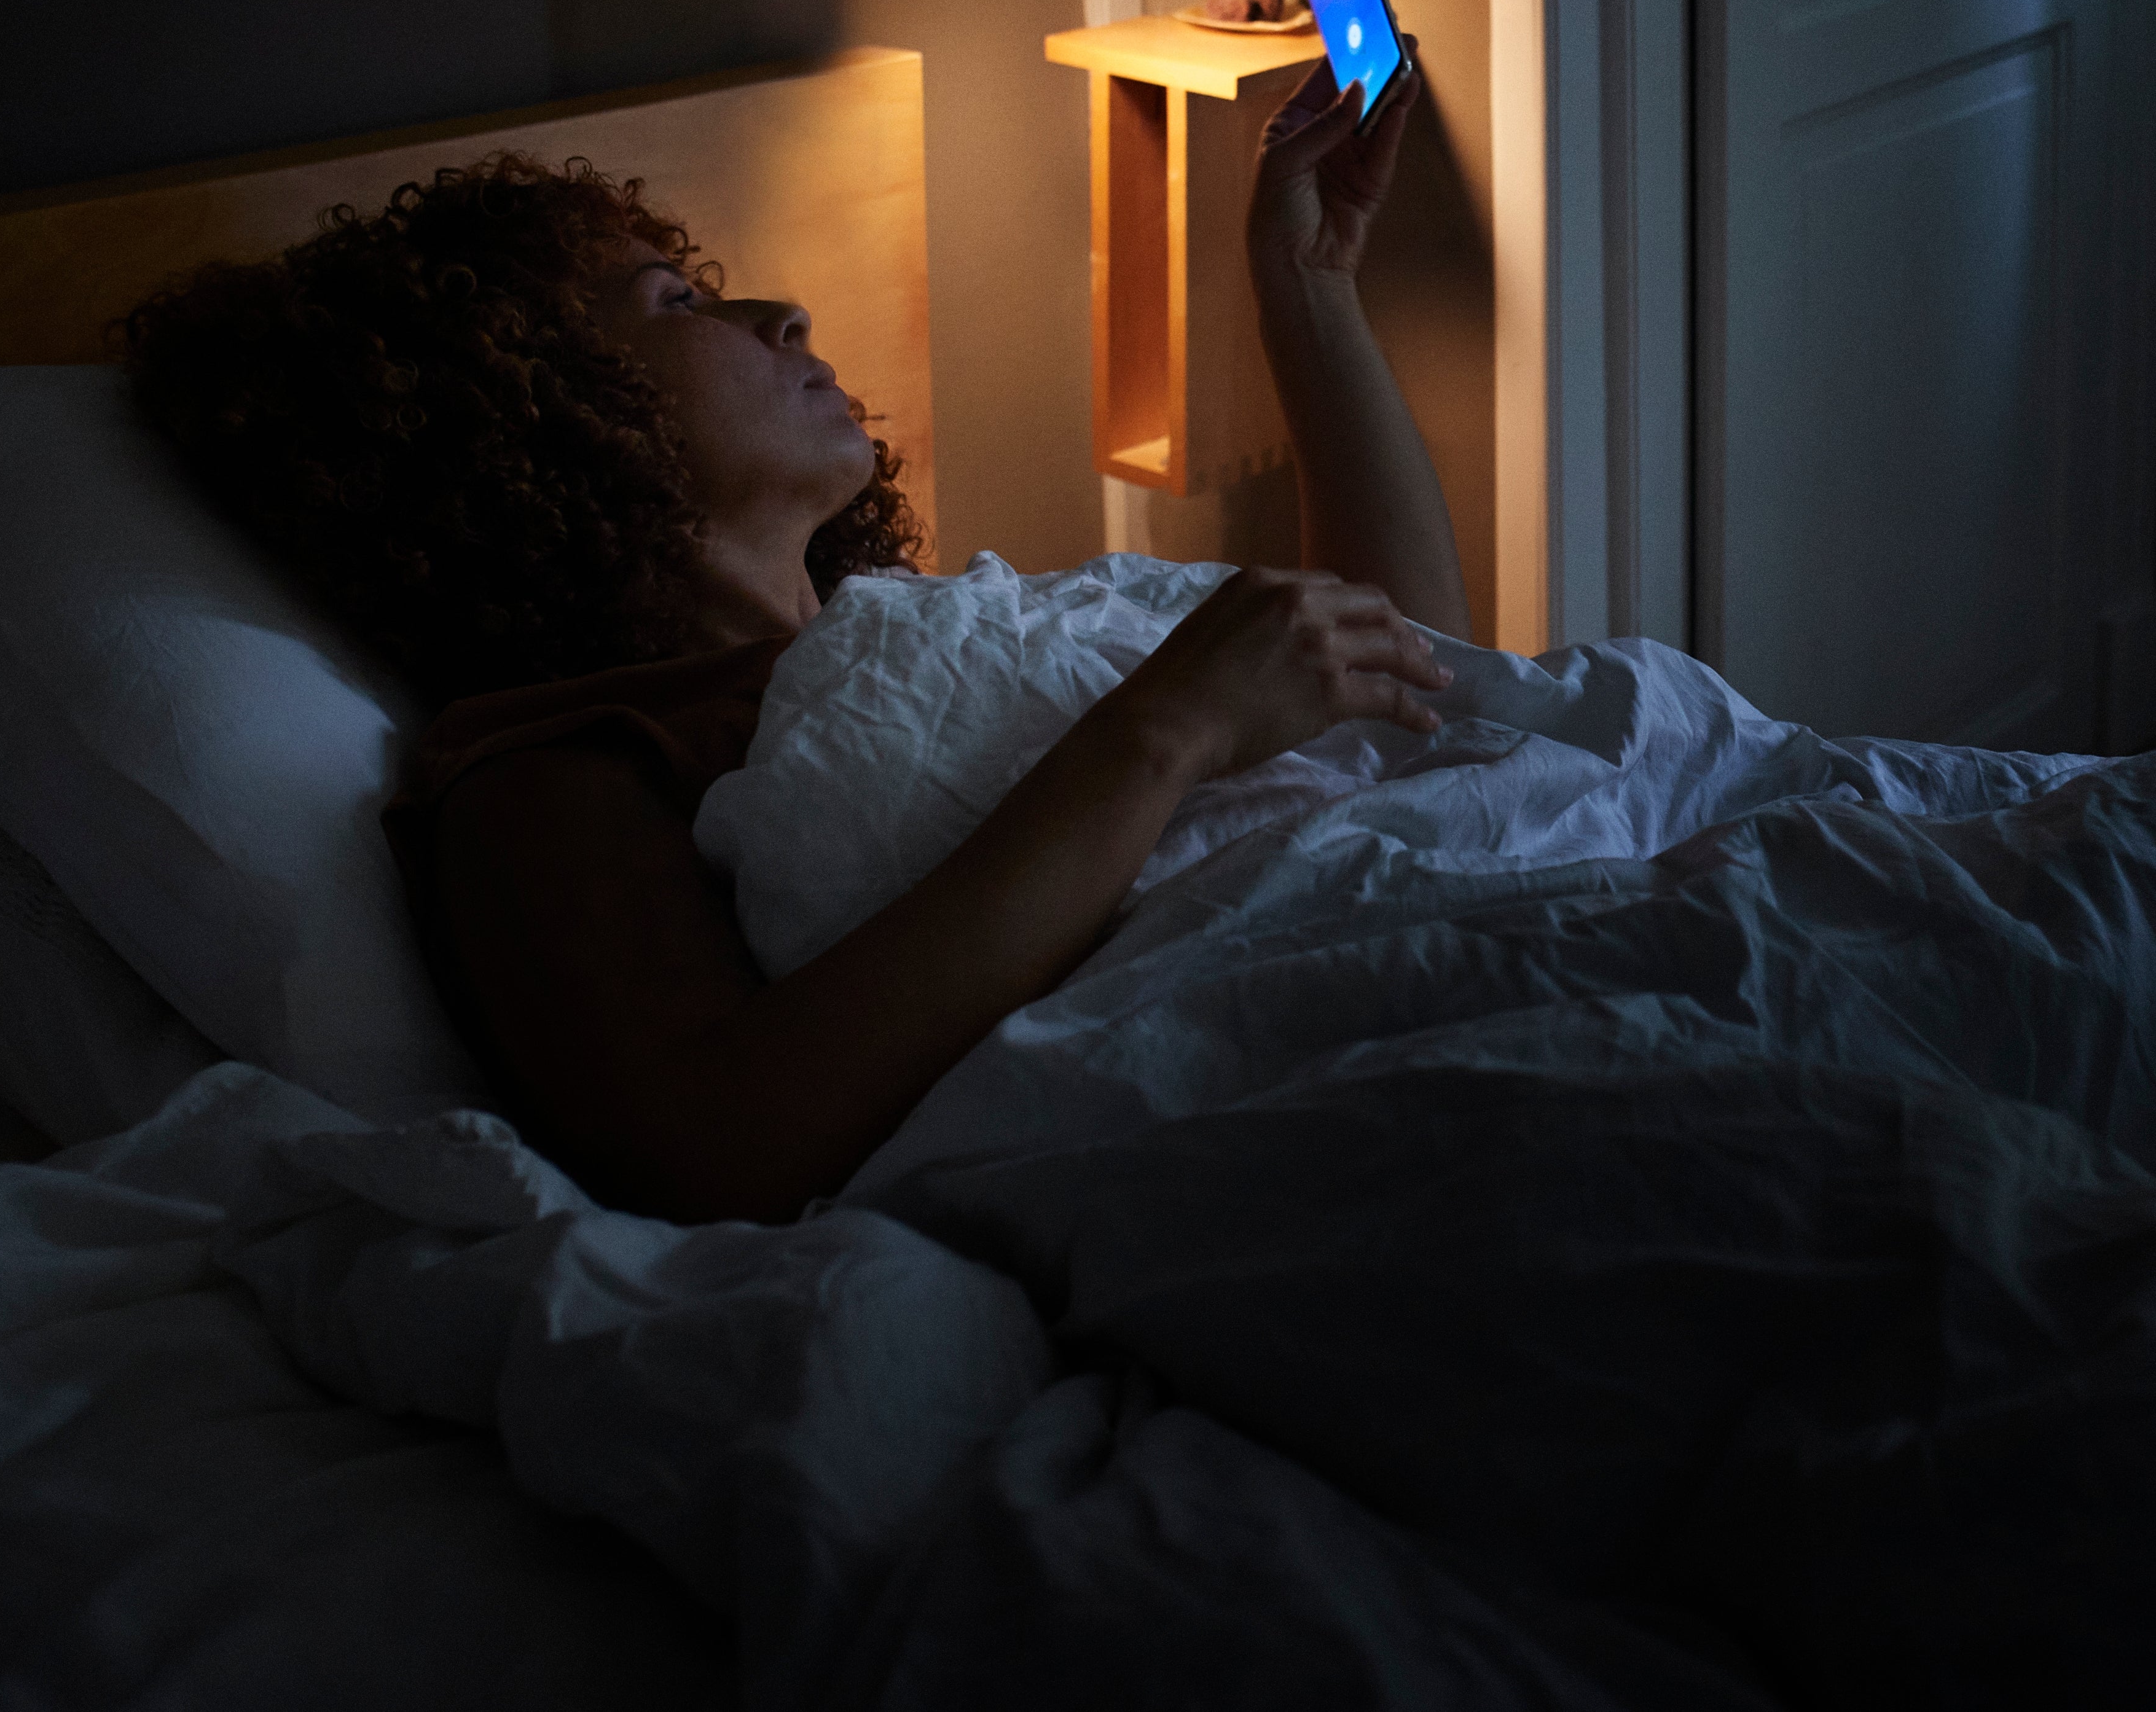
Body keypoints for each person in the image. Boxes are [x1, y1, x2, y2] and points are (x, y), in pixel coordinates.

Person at [123, 61, 1461, 1222]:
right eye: (670, 305)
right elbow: (716, 1153)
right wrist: (1164, 731)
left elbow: (1421, 694)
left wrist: (1309, 277)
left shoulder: (924, 651)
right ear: (520, 420)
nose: (780, 315)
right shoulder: (550, 772)